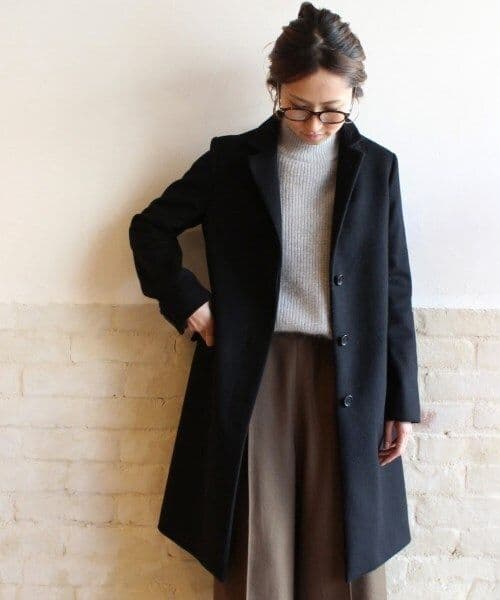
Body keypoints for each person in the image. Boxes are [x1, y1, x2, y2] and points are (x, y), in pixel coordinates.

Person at [129, 3, 420, 599]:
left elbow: (394, 288)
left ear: (355, 96)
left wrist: (401, 400)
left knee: (343, 548)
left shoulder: (377, 170)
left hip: (349, 377)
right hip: (252, 374)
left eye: (332, 111)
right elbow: (150, 230)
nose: (313, 125)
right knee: (255, 546)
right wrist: (193, 306)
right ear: (276, 91)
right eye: (297, 107)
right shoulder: (232, 162)